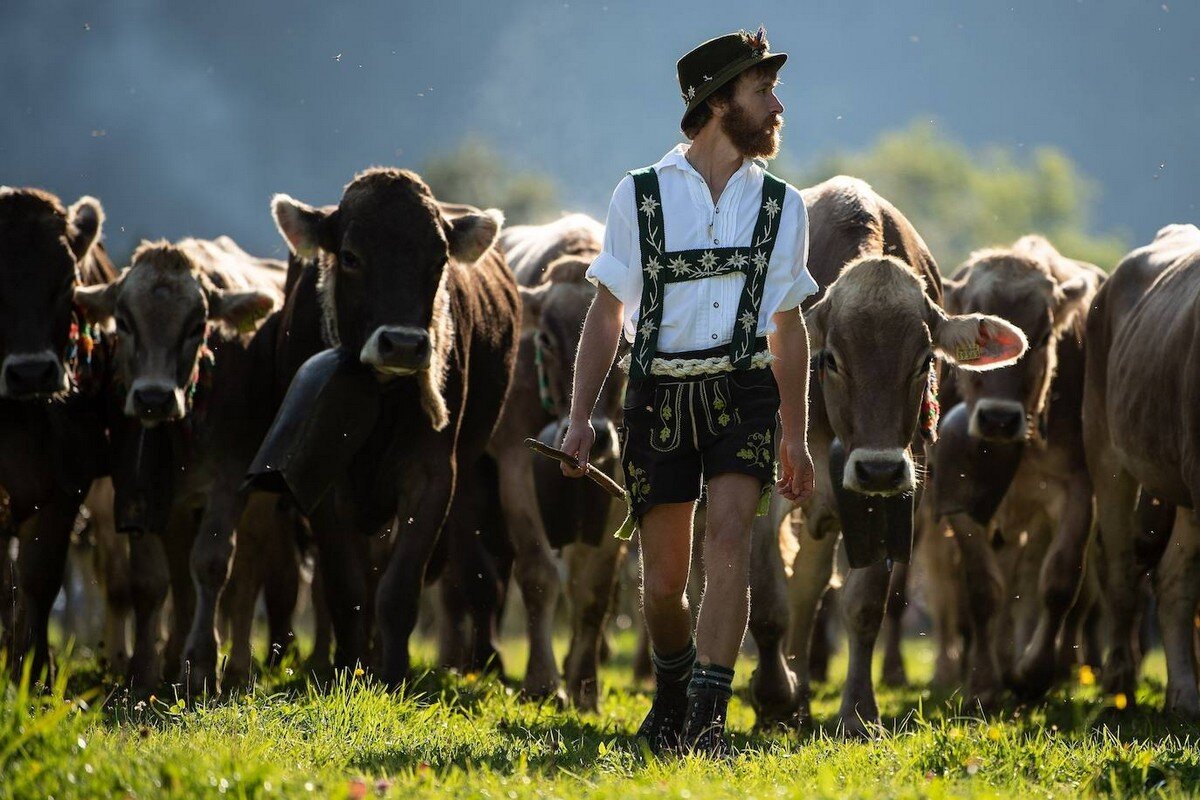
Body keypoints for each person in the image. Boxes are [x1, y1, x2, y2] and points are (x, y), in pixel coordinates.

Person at [559, 27, 818, 757]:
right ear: (717, 103)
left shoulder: (782, 205)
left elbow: (789, 329)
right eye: (762, 91)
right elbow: (607, 314)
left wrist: (795, 434)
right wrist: (580, 419)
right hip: (658, 395)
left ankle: (707, 717)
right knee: (665, 580)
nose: (777, 105)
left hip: (744, 391)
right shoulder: (637, 195)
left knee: (731, 542)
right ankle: (673, 691)